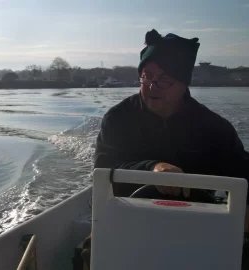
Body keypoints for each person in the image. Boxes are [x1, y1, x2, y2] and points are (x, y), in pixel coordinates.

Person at [81, 29, 249, 268]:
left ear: (183, 84)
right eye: (146, 77)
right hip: (128, 214)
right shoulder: (118, 119)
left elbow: (243, 171)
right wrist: (153, 168)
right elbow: (104, 170)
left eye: (164, 80)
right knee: (94, 250)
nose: (152, 86)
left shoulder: (213, 127)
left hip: (199, 219)